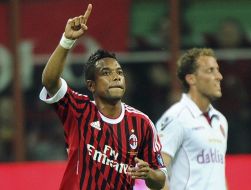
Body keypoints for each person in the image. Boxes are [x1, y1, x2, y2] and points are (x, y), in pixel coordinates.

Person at [39, 4, 166, 190]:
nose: (116, 77)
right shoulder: (79, 110)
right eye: (106, 73)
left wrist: (149, 174)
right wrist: (66, 41)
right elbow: (50, 81)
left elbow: (160, 179)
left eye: (119, 72)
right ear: (91, 85)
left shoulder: (142, 123)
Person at [156, 48, 228, 190]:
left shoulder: (221, 120)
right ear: (191, 79)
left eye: (218, 70)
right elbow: (155, 172)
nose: (219, 76)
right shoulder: (176, 117)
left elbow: (218, 174)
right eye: (210, 70)